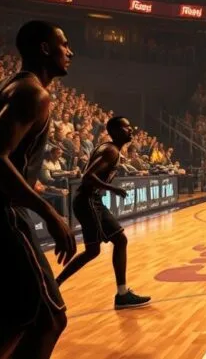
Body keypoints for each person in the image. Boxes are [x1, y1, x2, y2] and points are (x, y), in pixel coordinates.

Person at [0, 20, 78, 359]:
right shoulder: (34, 93)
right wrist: (49, 213)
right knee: (49, 319)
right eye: (63, 44)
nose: (71, 51)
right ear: (45, 49)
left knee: (15, 324)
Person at [55, 117, 150, 309]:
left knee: (98, 248)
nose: (131, 131)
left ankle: (54, 286)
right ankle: (121, 294)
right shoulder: (110, 150)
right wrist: (113, 189)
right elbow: (88, 176)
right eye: (127, 128)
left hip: (90, 200)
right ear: (115, 131)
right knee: (110, 244)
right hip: (88, 200)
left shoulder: (111, 149)